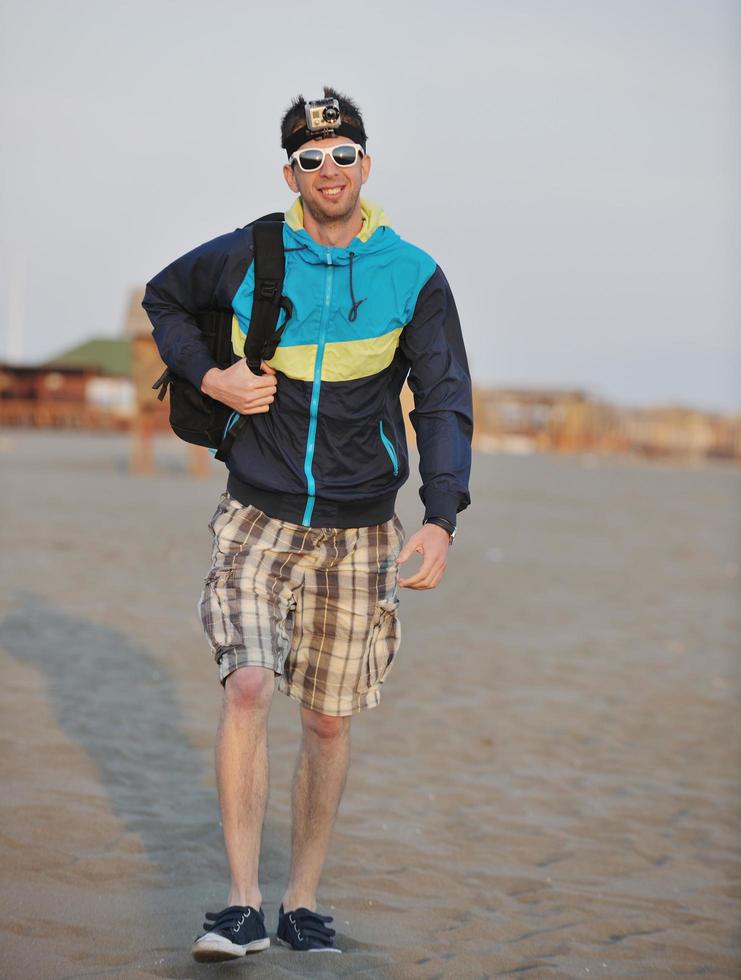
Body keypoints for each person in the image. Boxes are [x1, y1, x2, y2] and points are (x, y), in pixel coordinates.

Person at [142, 86, 472, 961]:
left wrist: (441, 516)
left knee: (327, 719)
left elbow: (442, 400)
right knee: (247, 685)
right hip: (257, 508)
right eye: (309, 158)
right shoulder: (253, 252)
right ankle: (241, 904)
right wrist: (212, 380)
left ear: (367, 162)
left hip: (362, 529)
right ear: (289, 170)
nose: (328, 169)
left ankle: (302, 901)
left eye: (342, 153)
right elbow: (164, 301)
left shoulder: (413, 272)